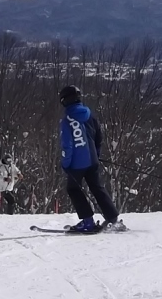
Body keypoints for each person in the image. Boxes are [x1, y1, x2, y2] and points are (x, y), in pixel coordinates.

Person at [58, 85, 124, 233]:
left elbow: (67, 146)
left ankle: (88, 221)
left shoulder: (67, 120)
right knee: (97, 187)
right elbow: (99, 137)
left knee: (73, 188)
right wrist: (96, 154)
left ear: (64, 101)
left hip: (76, 163)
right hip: (92, 160)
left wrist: (65, 164)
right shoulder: (89, 114)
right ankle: (113, 219)